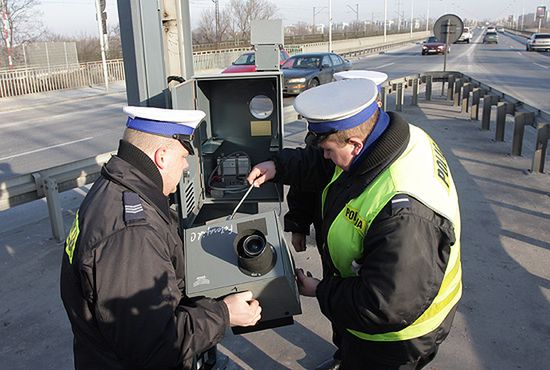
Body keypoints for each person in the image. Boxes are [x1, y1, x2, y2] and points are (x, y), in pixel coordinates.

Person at [247, 78, 462, 370]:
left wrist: (319, 290)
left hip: (396, 337)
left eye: (328, 151)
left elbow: (382, 304)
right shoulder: (387, 139)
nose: (325, 157)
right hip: (375, 312)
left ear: (355, 144)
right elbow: (321, 163)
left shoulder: (404, 215)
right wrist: (278, 166)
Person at [60, 106, 262, 370]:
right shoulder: (132, 234)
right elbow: (153, 347)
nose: (184, 167)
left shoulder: (113, 186)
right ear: (162, 156)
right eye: (182, 157)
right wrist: (224, 314)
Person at [283, 70, 389, 370]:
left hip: (367, 269)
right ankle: (343, 351)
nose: (326, 157)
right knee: (340, 310)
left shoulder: (378, 153)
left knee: (353, 307)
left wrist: (319, 290)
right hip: (334, 238)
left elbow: (383, 298)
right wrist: (299, 225)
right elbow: (304, 182)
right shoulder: (332, 141)